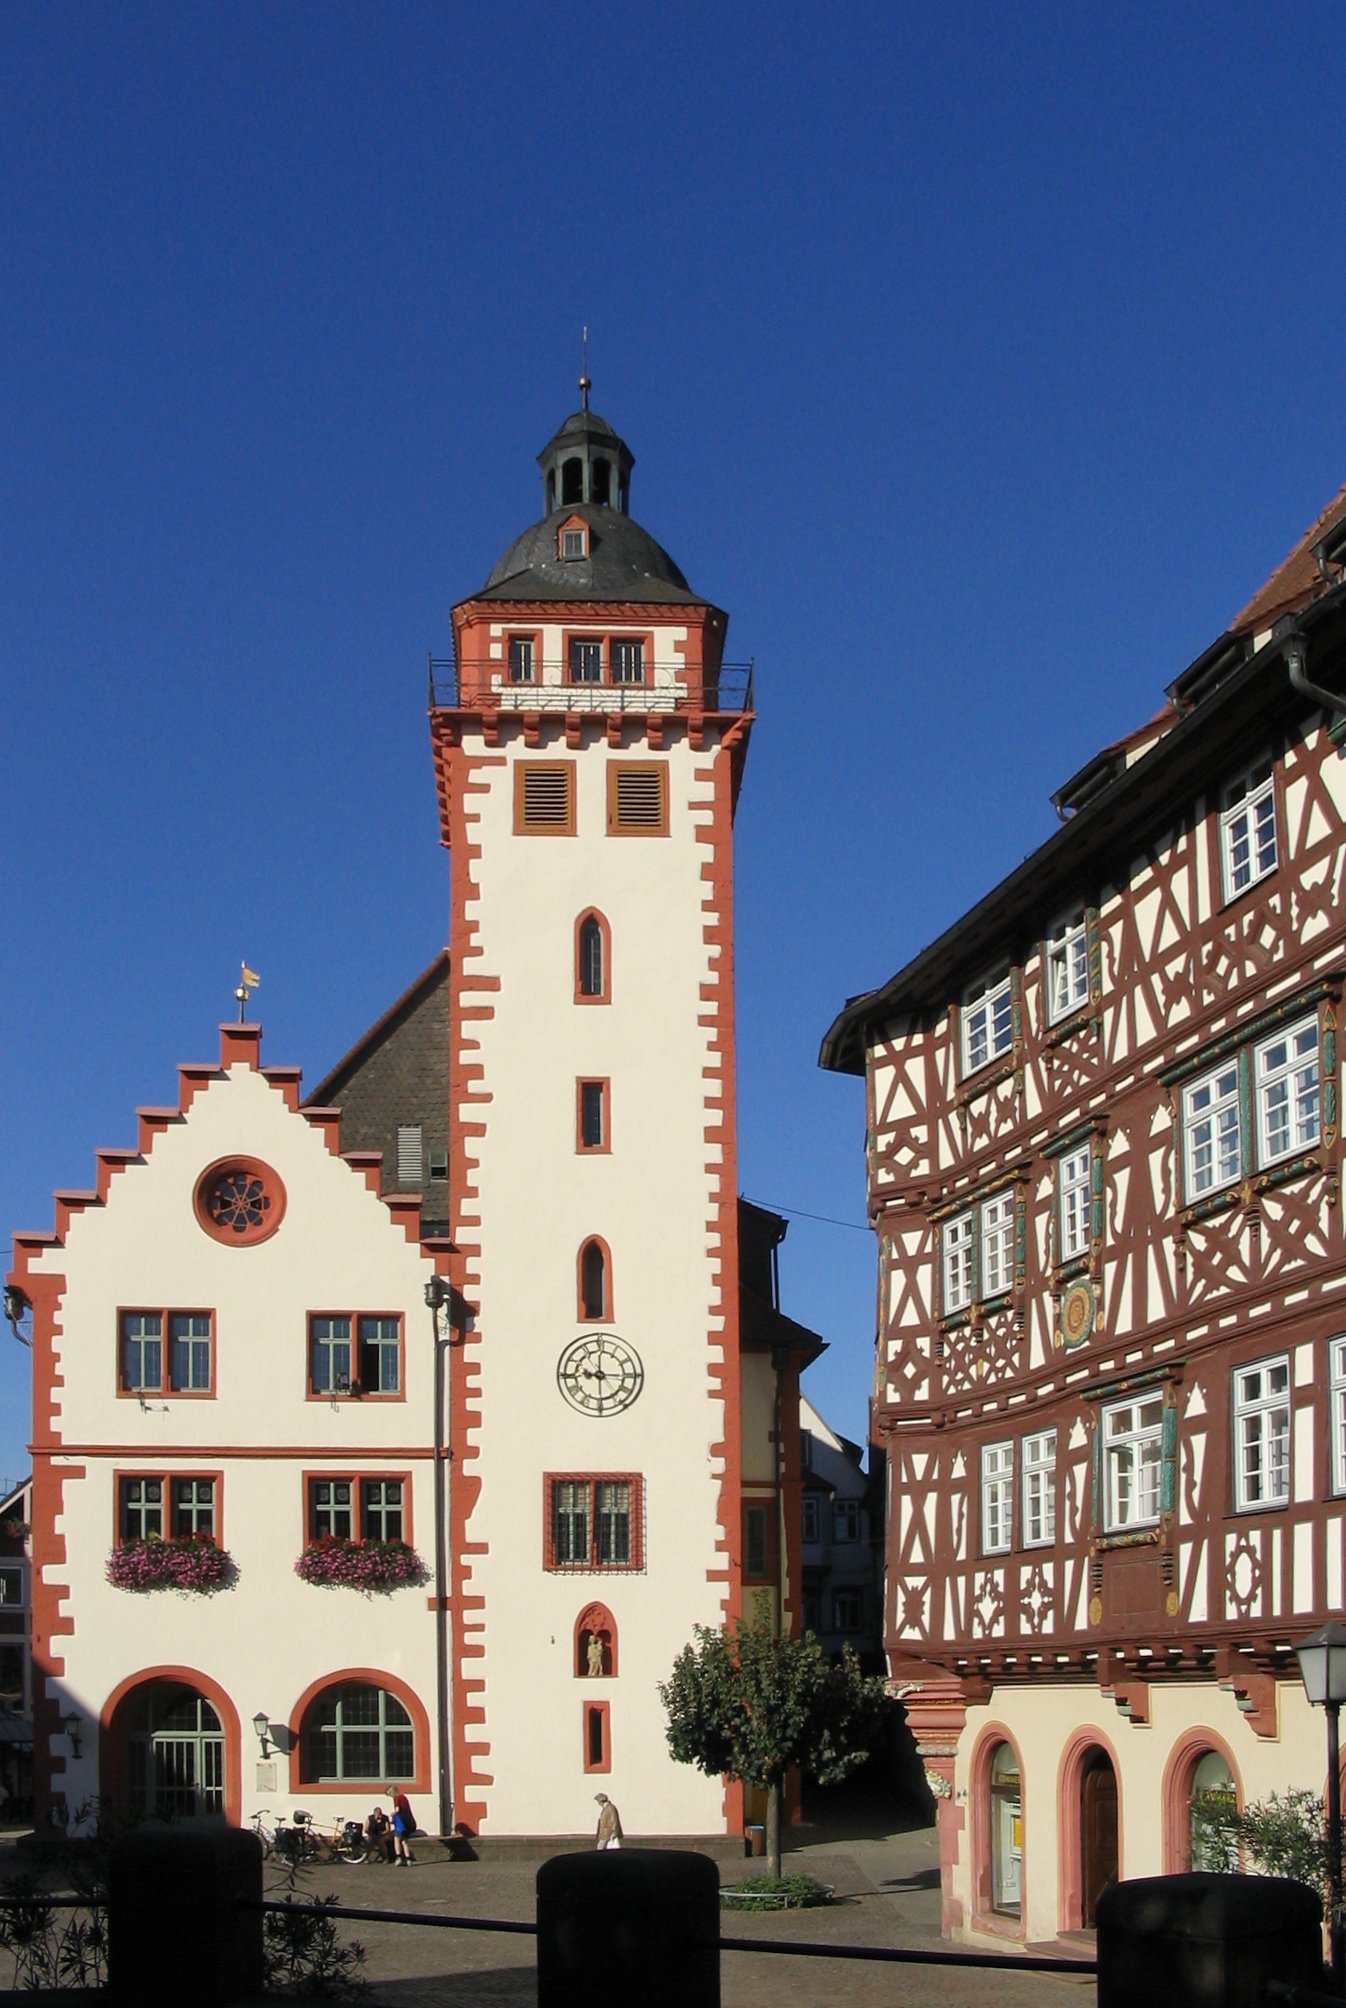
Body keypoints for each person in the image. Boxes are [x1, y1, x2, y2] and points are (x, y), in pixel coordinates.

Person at [389, 1785, 416, 1865]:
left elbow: (397, 1810)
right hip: (408, 1821)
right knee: (405, 1841)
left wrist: (392, 1814)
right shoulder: (404, 1797)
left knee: (396, 1838)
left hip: (401, 1823)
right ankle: (408, 1859)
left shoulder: (397, 1798)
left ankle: (399, 1857)